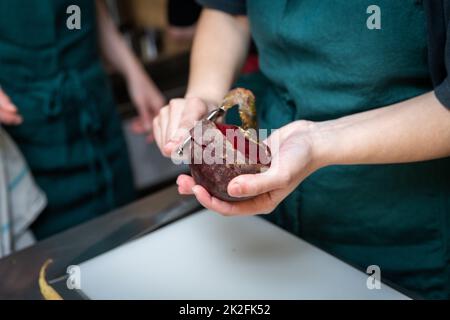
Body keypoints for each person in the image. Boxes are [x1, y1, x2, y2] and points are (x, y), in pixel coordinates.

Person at [153, 1, 450, 298]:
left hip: (395, 223)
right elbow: (228, 12)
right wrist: (204, 97)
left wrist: (318, 141)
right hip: (271, 218)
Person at [0, 0, 165, 239]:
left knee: (126, 232)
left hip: (95, 110)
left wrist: (133, 71)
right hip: (28, 126)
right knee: (56, 260)